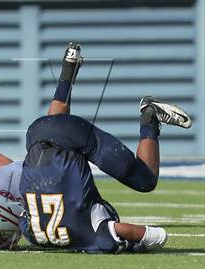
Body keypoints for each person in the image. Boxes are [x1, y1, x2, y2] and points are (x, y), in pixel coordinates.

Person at [17, 43, 192, 253]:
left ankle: (150, 117)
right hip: (37, 131)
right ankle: (68, 69)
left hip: (71, 138)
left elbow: (154, 235)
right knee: (54, 129)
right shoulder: (31, 233)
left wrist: (141, 243)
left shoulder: (94, 233)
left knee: (145, 180)